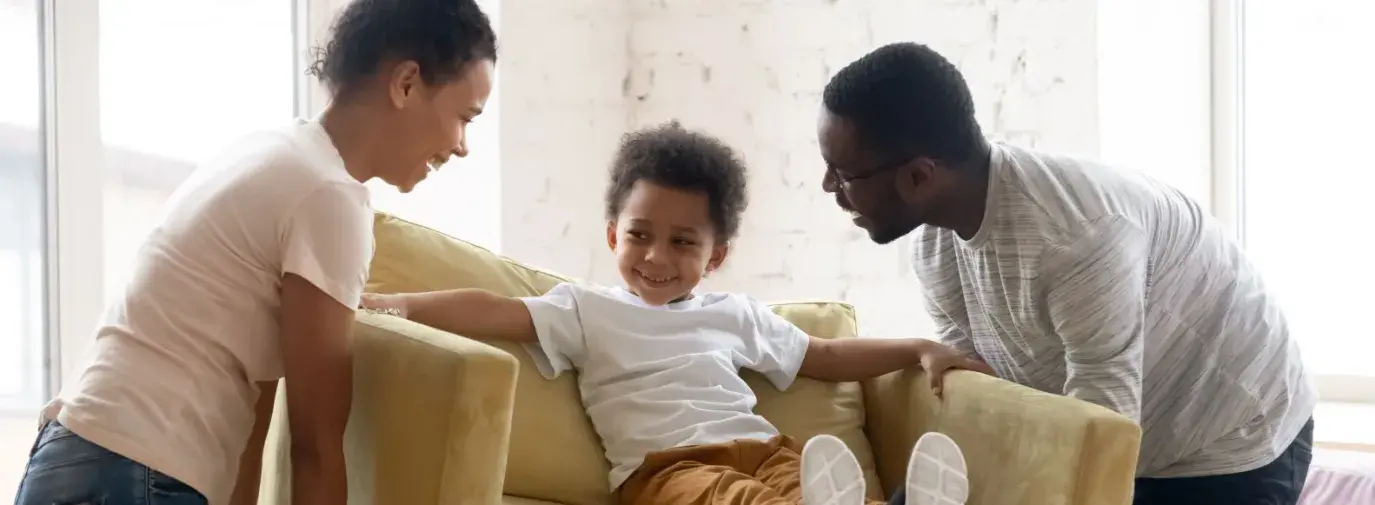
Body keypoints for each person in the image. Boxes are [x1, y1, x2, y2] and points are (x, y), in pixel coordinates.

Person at [13, 1, 496, 504]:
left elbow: (257, 402)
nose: (462, 146)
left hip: (72, 453)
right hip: (138, 474)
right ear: (406, 83)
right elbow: (316, 446)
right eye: (465, 117)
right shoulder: (327, 197)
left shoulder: (272, 152)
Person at [360, 122, 988, 505]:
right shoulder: (585, 309)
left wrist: (917, 348)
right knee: (733, 500)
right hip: (666, 472)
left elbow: (821, 356)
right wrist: (400, 303)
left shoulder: (733, 314)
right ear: (614, 236)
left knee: (804, 481)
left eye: (683, 242)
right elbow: (496, 310)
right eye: (639, 235)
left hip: (766, 449)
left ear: (716, 256)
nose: (656, 256)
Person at [815, 42, 1316, 505]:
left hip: (1230, 441)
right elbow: (986, 393)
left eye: (843, 174)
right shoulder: (934, 247)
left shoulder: (1076, 238)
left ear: (919, 176)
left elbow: (1101, 439)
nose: (827, 187)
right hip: (1129, 428)